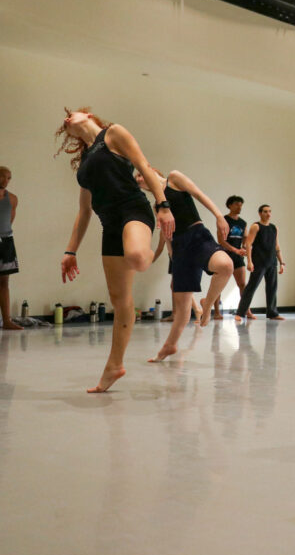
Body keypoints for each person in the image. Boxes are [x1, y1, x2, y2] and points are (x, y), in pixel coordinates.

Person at [55, 108, 174, 392]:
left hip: (133, 210)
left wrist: (163, 204)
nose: (66, 118)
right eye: (64, 120)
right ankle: (114, 366)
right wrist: (70, 251)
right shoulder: (84, 163)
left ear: (87, 115)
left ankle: (155, 249)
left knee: (135, 256)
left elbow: (143, 165)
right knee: (120, 301)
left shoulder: (114, 133)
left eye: (70, 114)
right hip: (108, 224)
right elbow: (84, 211)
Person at [137, 168, 234, 362]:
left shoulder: (174, 178)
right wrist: (172, 253)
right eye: (137, 179)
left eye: (140, 174)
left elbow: (199, 194)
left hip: (198, 236)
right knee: (181, 310)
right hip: (180, 248)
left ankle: (207, 306)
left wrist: (219, 216)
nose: (139, 180)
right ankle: (169, 347)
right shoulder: (158, 204)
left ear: (151, 170)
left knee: (226, 265)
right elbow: (166, 233)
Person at [235, 205, 285, 323]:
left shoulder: (274, 228)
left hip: (271, 262)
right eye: (265, 212)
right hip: (259, 262)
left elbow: (276, 246)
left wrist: (282, 262)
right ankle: (240, 313)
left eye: (269, 211)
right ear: (260, 213)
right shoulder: (256, 226)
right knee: (251, 287)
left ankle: (272, 312)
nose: (268, 214)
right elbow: (248, 244)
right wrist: (249, 262)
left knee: (272, 288)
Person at [212, 195, 254, 321]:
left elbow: (245, 239)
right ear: (230, 205)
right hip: (224, 255)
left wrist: (245, 248)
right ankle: (217, 312)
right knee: (219, 285)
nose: (239, 206)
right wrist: (235, 250)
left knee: (242, 284)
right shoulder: (223, 220)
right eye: (236, 204)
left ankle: (247, 310)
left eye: (241, 204)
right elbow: (221, 240)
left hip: (238, 257)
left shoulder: (243, 223)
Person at [0, 167, 21, 331]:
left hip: (6, 241)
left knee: (4, 282)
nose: (5, 180)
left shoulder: (12, 199)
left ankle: (6, 321)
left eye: (9, 178)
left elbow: (9, 220)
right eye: (3, 177)